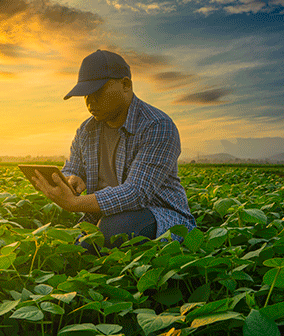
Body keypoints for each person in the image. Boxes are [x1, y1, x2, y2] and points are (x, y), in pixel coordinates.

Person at [32, 49, 196, 249]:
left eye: (98, 91)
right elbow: (73, 167)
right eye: (85, 95)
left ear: (126, 85)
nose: (90, 101)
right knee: (58, 243)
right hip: (103, 217)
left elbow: (136, 193)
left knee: (113, 229)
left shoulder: (157, 125)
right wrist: (71, 179)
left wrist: (74, 204)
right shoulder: (86, 130)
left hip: (158, 215)